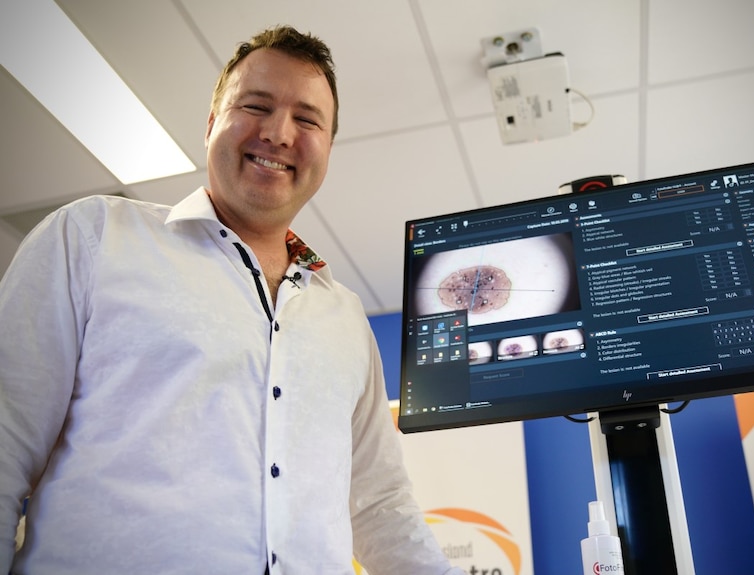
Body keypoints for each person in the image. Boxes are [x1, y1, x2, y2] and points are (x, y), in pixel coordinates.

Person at [0, 25, 464, 575]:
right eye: (256, 105)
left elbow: (382, 507)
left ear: (327, 149)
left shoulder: (345, 318)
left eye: (307, 119)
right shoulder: (94, 237)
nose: (279, 132)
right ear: (211, 125)